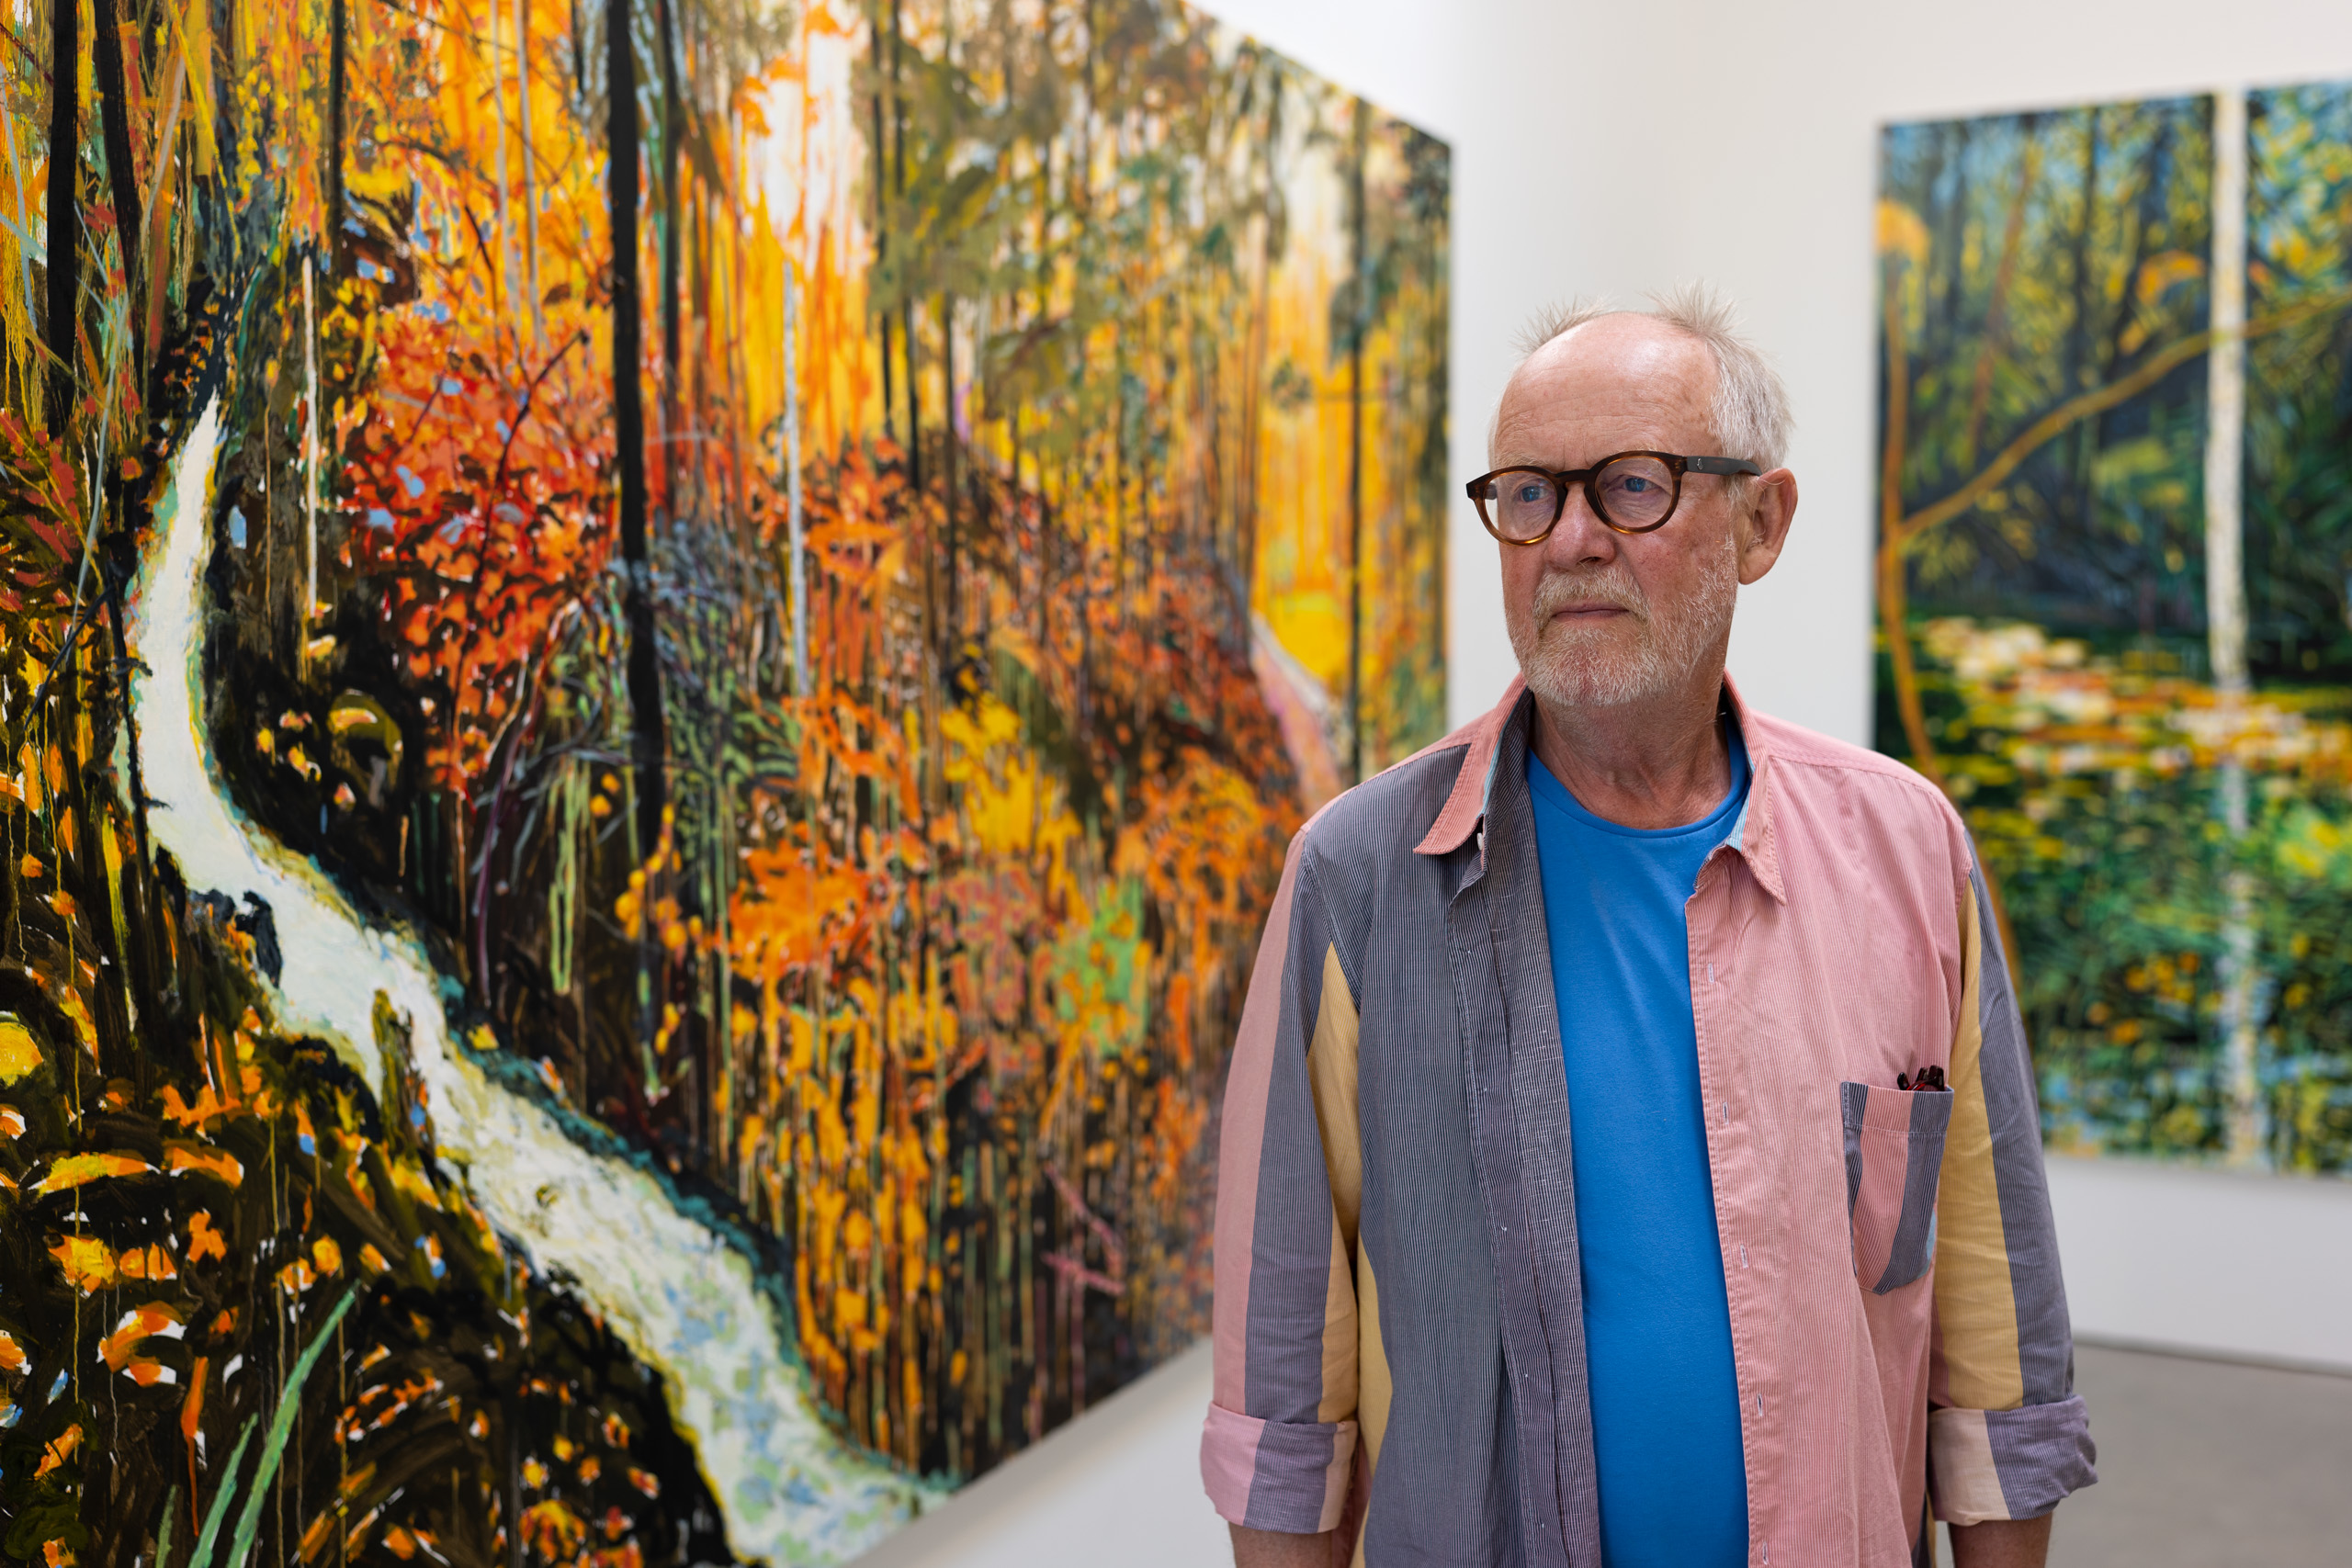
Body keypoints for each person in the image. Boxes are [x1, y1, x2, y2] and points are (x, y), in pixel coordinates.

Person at [1200, 288, 2095, 1568]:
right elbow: (1283, 1392)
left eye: (1631, 487)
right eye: (1527, 495)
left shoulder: (1908, 850)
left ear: (1760, 523)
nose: (1569, 540)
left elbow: (2001, 1359)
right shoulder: (1358, 876)